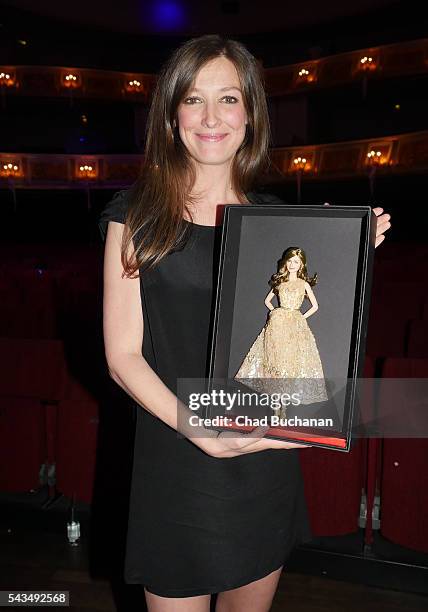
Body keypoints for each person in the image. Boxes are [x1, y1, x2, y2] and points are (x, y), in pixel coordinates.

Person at [98, 34, 391, 612]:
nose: (211, 117)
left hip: (263, 456)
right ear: (172, 115)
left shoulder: (281, 223)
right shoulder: (136, 216)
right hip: (177, 454)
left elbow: (314, 339)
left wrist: (348, 252)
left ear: (251, 113)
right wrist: (198, 428)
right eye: (193, 99)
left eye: (228, 98)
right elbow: (122, 355)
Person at [234, 247, 328, 410]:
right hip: (277, 325)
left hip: (294, 325)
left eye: (296, 262)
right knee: (274, 358)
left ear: (301, 265)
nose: (292, 264)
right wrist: (275, 312)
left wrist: (300, 317)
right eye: (290, 261)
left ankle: (283, 402)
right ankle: (275, 400)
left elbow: (315, 306)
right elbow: (267, 300)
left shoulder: (303, 284)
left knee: (291, 359)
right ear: (286, 263)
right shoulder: (281, 282)